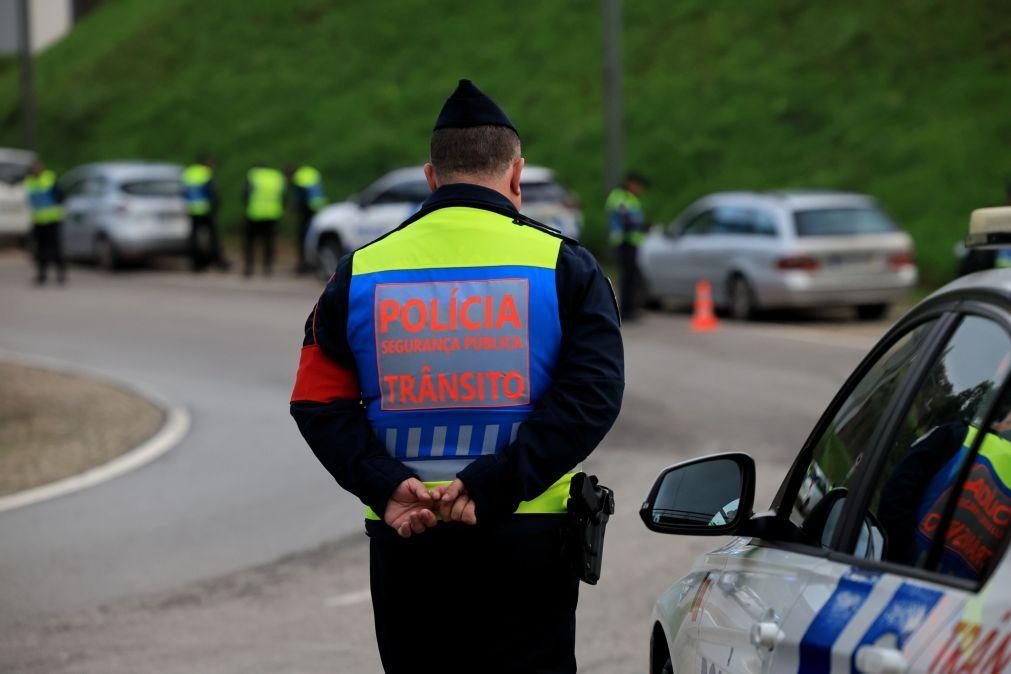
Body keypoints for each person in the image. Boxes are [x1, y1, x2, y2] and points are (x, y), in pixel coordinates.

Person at [289, 79, 624, 674]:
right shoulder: (564, 265)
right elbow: (592, 397)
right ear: (516, 174)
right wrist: (497, 483)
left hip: (406, 537)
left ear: (431, 176)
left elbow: (317, 400)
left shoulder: (360, 270)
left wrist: (385, 482)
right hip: (529, 538)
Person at [606, 171, 649, 321]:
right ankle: (626, 311)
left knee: (631, 277)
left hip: (631, 241)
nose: (640, 190)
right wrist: (641, 225)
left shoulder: (629, 198)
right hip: (624, 242)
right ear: (631, 183)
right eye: (638, 186)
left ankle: (630, 309)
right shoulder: (620, 196)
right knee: (626, 277)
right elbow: (625, 220)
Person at [182, 155, 228, 271]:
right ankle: (217, 261)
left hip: (192, 208)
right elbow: (210, 191)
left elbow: (184, 191)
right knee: (212, 237)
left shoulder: (188, 172)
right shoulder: (205, 173)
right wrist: (217, 202)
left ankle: (196, 264)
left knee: (194, 237)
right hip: (205, 209)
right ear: (206, 163)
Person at [24, 160, 66, 286]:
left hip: (53, 219)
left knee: (55, 248)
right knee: (40, 249)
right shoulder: (29, 181)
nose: (35, 170)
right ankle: (42, 275)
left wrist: (57, 207)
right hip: (38, 220)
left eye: (37, 167)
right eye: (33, 168)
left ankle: (60, 274)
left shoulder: (50, 178)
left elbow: (60, 195)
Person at [242, 163, 286, 277]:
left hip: (254, 213)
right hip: (272, 214)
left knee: (250, 242)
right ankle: (268, 267)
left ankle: (249, 266)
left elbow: (245, 194)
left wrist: (246, 205)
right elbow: (283, 195)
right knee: (269, 242)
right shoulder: (277, 176)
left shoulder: (253, 174)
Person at [290, 164, 327, 274]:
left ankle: (304, 265)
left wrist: (294, 208)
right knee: (314, 237)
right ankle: (316, 264)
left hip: (307, 210)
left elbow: (300, 197)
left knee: (303, 238)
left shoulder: (298, 178)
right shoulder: (311, 172)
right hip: (319, 207)